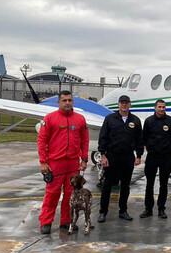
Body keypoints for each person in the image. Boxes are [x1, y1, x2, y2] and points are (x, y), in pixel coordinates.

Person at [38, 91, 89, 234]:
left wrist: (84, 159)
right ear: (59, 102)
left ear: (73, 102)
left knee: (70, 194)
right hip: (55, 163)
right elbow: (41, 140)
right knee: (52, 193)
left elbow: (84, 140)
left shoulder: (80, 119)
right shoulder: (50, 118)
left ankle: (66, 221)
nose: (67, 103)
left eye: (70, 100)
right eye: (64, 100)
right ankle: (46, 222)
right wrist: (43, 162)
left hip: (73, 163)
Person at [97, 95, 144, 222]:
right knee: (107, 185)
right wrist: (103, 154)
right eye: (122, 103)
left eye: (126, 103)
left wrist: (139, 155)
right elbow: (103, 137)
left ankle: (123, 211)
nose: (124, 105)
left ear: (130, 105)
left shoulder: (135, 120)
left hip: (128, 156)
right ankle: (103, 212)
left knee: (125, 186)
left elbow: (139, 139)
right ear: (118, 104)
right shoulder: (110, 119)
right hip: (112, 156)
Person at [139, 99, 171, 219]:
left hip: (165, 157)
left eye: (163, 107)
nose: (161, 109)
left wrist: (166, 148)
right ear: (155, 108)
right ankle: (148, 209)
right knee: (149, 184)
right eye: (159, 107)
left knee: (164, 184)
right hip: (152, 156)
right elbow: (144, 137)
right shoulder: (149, 121)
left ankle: (161, 209)